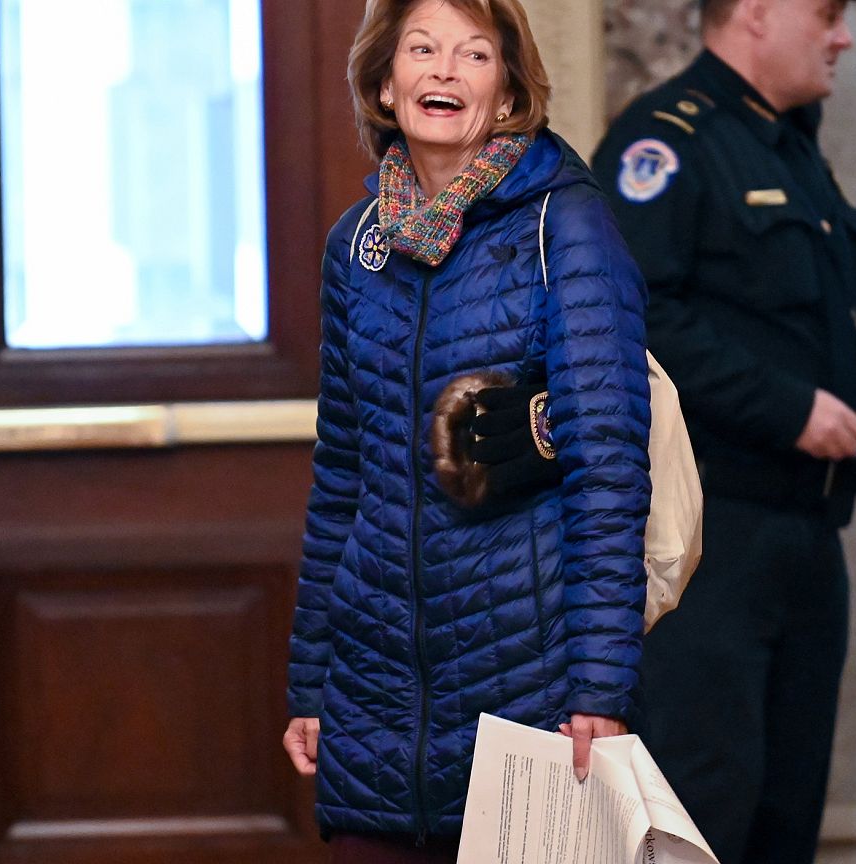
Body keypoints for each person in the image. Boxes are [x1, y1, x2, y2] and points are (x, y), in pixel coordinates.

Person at [589, 1, 856, 861]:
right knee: (705, 812)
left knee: (786, 821)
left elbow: (834, 322)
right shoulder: (666, 142)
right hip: (710, 542)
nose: (844, 36)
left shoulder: (789, 142)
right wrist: (788, 409)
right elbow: (638, 323)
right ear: (756, 12)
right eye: (826, 14)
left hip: (806, 536)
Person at [280, 0, 652, 860]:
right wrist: (312, 681)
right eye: (422, 49)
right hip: (374, 687)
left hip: (530, 683)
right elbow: (341, 477)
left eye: (475, 54)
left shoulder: (566, 226)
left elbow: (608, 473)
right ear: (384, 82)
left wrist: (599, 688)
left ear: (509, 91)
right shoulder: (356, 246)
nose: (444, 70)